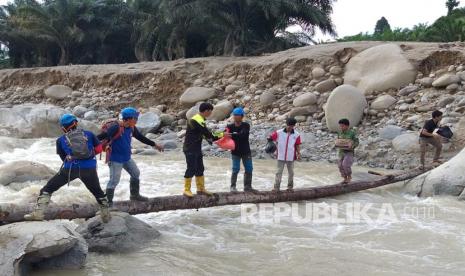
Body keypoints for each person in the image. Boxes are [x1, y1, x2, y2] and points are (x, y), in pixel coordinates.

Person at [24, 114, 111, 222]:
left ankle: (38, 214)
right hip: (89, 169)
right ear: (76, 123)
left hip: (70, 169)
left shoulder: (60, 140)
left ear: (63, 127)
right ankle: (106, 216)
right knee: (98, 192)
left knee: (47, 189)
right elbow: (98, 149)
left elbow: (63, 157)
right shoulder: (89, 134)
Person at [98, 107, 164, 206]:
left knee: (135, 173)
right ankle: (108, 203)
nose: (137, 120)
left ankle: (134, 195)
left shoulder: (132, 128)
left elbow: (140, 137)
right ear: (129, 119)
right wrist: (88, 142)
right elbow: (102, 136)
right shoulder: (116, 127)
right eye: (135, 118)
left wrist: (154, 144)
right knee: (114, 181)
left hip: (126, 158)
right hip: (115, 158)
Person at [183, 102, 223, 197]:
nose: (211, 114)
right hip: (190, 148)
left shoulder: (200, 119)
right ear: (206, 111)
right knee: (191, 168)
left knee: (200, 168)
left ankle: (200, 189)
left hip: (196, 148)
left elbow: (202, 134)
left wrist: (212, 138)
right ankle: (186, 189)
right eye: (210, 111)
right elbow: (210, 135)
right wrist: (222, 135)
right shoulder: (196, 120)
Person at [226, 107, 257, 192]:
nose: (235, 117)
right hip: (235, 151)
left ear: (242, 116)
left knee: (249, 169)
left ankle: (247, 187)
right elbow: (225, 136)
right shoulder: (229, 126)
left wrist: (232, 135)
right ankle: (233, 187)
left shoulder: (246, 125)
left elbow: (242, 135)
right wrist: (231, 135)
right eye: (234, 115)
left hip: (245, 151)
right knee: (235, 169)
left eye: (237, 115)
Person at [268, 118, 301, 192]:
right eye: (288, 126)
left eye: (291, 126)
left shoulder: (296, 134)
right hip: (280, 155)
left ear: (294, 126)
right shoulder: (279, 132)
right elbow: (270, 138)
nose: (289, 128)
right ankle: (276, 188)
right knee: (279, 172)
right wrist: (270, 143)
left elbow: (297, 145)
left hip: (291, 156)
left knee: (291, 173)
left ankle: (290, 187)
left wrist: (298, 153)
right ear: (286, 124)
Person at [336, 118, 359, 184]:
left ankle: (349, 177)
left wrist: (352, 145)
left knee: (345, 164)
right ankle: (345, 178)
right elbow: (338, 141)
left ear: (347, 126)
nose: (341, 127)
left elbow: (357, 142)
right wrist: (336, 144)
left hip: (349, 152)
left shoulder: (352, 133)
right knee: (340, 165)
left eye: (342, 126)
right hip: (341, 152)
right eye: (340, 126)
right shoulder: (339, 133)